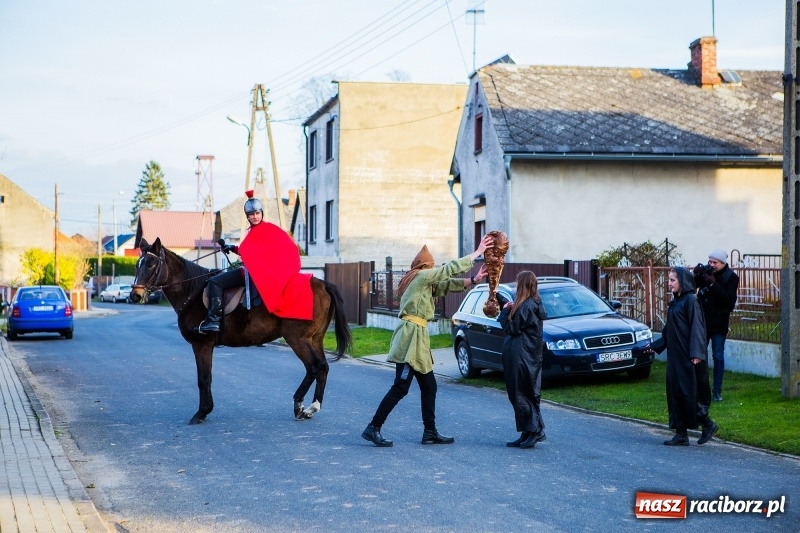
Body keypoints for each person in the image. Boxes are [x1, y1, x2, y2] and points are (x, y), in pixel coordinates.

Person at [361, 236, 493, 447]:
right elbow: (447, 271)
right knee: (401, 388)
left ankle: (429, 432)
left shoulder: (422, 282)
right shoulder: (420, 277)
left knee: (429, 386)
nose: (433, 270)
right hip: (409, 338)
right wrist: (476, 253)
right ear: (425, 267)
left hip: (418, 339)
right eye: (431, 267)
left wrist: (474, 281)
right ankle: (373, 427)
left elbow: (445, 285)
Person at [199, 190, 312, 333]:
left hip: (254, 272)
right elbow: (252, 251)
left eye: (257, 213)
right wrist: (232, 248)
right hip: (252, 270)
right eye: (252, 214)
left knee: (215, 282)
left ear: (262, 213)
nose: (255, 216)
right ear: (247, 217)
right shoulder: (254, 231)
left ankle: (213, 320)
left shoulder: (265, 230)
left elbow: (273, 251)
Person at [648, 267, 718, 446]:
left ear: (682, 282)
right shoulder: (675, 302)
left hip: (688, 356)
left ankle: (707, 424)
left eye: (672, 280)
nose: (669, 283)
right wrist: (655, 346)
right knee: (676, 392)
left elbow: (698, 329)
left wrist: (696, 353)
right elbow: (668, 330)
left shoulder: (691, 301)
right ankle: (681, 434)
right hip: (675, 356)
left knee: (690, 393)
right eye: (669, 280)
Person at [498, 271, 548, 449]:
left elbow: (512, 328)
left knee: (522, 393)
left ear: (523, 285)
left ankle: (534, 431)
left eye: (517, 282)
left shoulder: (527, 305)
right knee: (522, 392)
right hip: (525, 354)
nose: (515, 284)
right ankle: (527, 430)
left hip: (522, 356)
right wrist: (507, 306)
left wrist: (504, 314)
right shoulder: (528, 304)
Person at [693, 248, 739, 402]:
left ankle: (717, 391)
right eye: (709, 261)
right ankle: (700, 388)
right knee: (699, 355)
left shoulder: (731, 277)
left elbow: (728, 300)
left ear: (723, 263)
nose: (711, 265)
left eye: (715, 262)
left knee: (718, 356)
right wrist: (696, 274)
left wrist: (713, 284)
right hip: (703, 322)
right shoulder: (706, 272)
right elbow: (692, 286)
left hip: (719, 323)